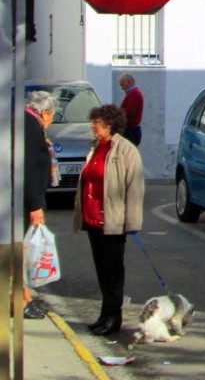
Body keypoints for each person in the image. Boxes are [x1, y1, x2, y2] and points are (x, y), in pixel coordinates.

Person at [73, 104, 145, 336]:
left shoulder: (125, 149)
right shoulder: (96, 147)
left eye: (97, 122)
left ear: (110, 124)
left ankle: (114, 318)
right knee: (102, 271)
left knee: (113, 273)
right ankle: (104, 315)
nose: (93, 126)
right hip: (93, 220)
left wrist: (132, 223)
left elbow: (135, 188)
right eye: (92, 121)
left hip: (113, 221)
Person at [22, 90, 58, 320]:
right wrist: (36, 206)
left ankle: (23, 298)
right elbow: (30, 168)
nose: (50, 122)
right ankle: (23, 300)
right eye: (52, 117)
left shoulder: (25, 122)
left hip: (20, 201)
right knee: (21, 252)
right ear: (44, 113)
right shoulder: (31, 128)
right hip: (22, 203)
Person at [118, 73, 144, 146]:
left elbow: (130, 111)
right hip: (130, 129)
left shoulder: (134, 93)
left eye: (122, 85)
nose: (122, 87)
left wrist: (117, 113)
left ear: (129, 82)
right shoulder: (133, 93)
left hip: (130, 130)